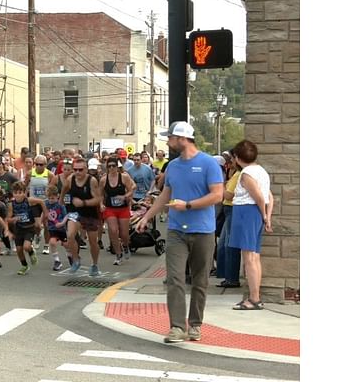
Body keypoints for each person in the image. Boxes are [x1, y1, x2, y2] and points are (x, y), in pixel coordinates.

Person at [135, 121, 224, 343]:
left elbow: (217, 195)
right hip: (176, 231)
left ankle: (195, 324)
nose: (168, 141)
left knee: (199, 280)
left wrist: (189, 205)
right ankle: (176, 327)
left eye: (170, 138)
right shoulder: (173, 166)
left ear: (182, 138)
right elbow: (165, 195)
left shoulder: (208, 164)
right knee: (174, 278)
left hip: (203, 231)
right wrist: (147, 216)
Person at [229, 140, 273, 310]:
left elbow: (260, 198)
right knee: (254, 256)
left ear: (238, 158)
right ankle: (255, 296)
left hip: (247, 212)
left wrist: (263, 215)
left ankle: (254, 298)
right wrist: (267, 216)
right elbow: (269, 197)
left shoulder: (246, 173)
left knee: (249, 258)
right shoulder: (262, 171)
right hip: (254, 213)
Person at [62, 157, 103, 275]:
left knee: (92, 242)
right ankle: (76, 260)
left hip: (90, 213)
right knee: (70, 235)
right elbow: (64, 189)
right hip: (75, 213)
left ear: (86, 170)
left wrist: (83, 202)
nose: (77, 172)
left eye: (80, 170)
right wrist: (61, 201)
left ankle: (94, 264)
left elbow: (97, 199)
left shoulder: (92, 181)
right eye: (75, 170)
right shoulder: (71, 179)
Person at [100, 157, 136, 266]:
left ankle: (125, 246)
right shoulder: (103, 179)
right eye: (109, 166)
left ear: (117, 166)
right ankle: (118, 254)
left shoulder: (124, 177)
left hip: (123, 208)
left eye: (113, 166)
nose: (111, 168)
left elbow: (131, 190)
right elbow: (100, 194)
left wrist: (125, 196)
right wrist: (101, 204)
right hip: (110, 208)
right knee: (113, 231)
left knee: (124, 234)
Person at [7, 181, 46, 276]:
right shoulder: (11, 204)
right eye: (15, 193)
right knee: (19, 250)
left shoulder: (29, 200)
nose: (18, 195)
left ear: (25, 193)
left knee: (26, 247)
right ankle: (24, 265)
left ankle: (31, 252)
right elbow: (8, 219)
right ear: (13, 193)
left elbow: (41, 201)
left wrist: (46, 212)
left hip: (29, 228)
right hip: (19, 228)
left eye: (20, 193)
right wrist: (13, 219)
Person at [215, 164, 242, 288]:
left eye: (232, 159)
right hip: (228, 209)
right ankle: (225, 274)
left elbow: (229, 195)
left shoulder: (238, 175)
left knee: (230, 245)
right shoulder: (235, 174)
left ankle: (232, 278)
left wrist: (220, 187)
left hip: (231, 208)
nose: (230, 162)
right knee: (223, 245)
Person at [44, 186, 68, 271]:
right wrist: (41, 222)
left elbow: (66, 216)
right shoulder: (46, 203)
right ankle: (57, 260)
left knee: (66, 244)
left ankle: (70, 256)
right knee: (52, 242)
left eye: (53, 198)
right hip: (52, 228)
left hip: (61, 228)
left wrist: (62, 223)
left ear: (57, 196)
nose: (51, 200)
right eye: (49, 198)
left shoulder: (60, 204)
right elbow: (44, 213)